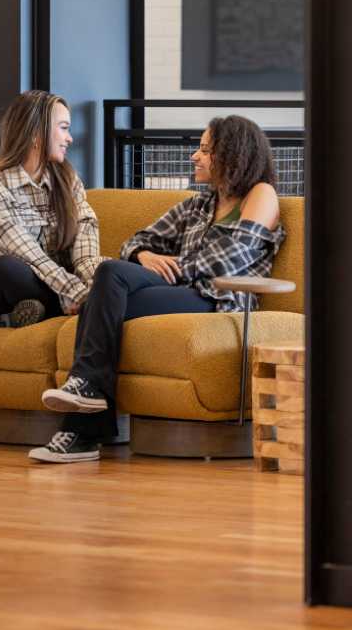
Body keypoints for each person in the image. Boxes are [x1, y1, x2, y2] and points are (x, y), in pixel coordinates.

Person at [29, 114, 286, 464]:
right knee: (110, 274)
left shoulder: (262, 194)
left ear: (234, 154)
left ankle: (82, 430)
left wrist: (173, 268)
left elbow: (230, 260)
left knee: (103, 295)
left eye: (206, 150)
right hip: (186, 289)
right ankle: (84, 403)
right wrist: (144, 255)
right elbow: (134, 241)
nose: (195, 156)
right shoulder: (198, 204)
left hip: (218, 299)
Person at [0, 90, 103, 327]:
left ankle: (21, 317)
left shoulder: (68, 181)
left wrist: (95, 286)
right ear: (36, 134)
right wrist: (77, 294)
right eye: (63, 128)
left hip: (49, 287)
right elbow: (29, 255)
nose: (70, 138)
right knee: (6, 268)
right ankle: (33, 312)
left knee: (110, 272)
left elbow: (85, 245)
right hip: (3, 292)